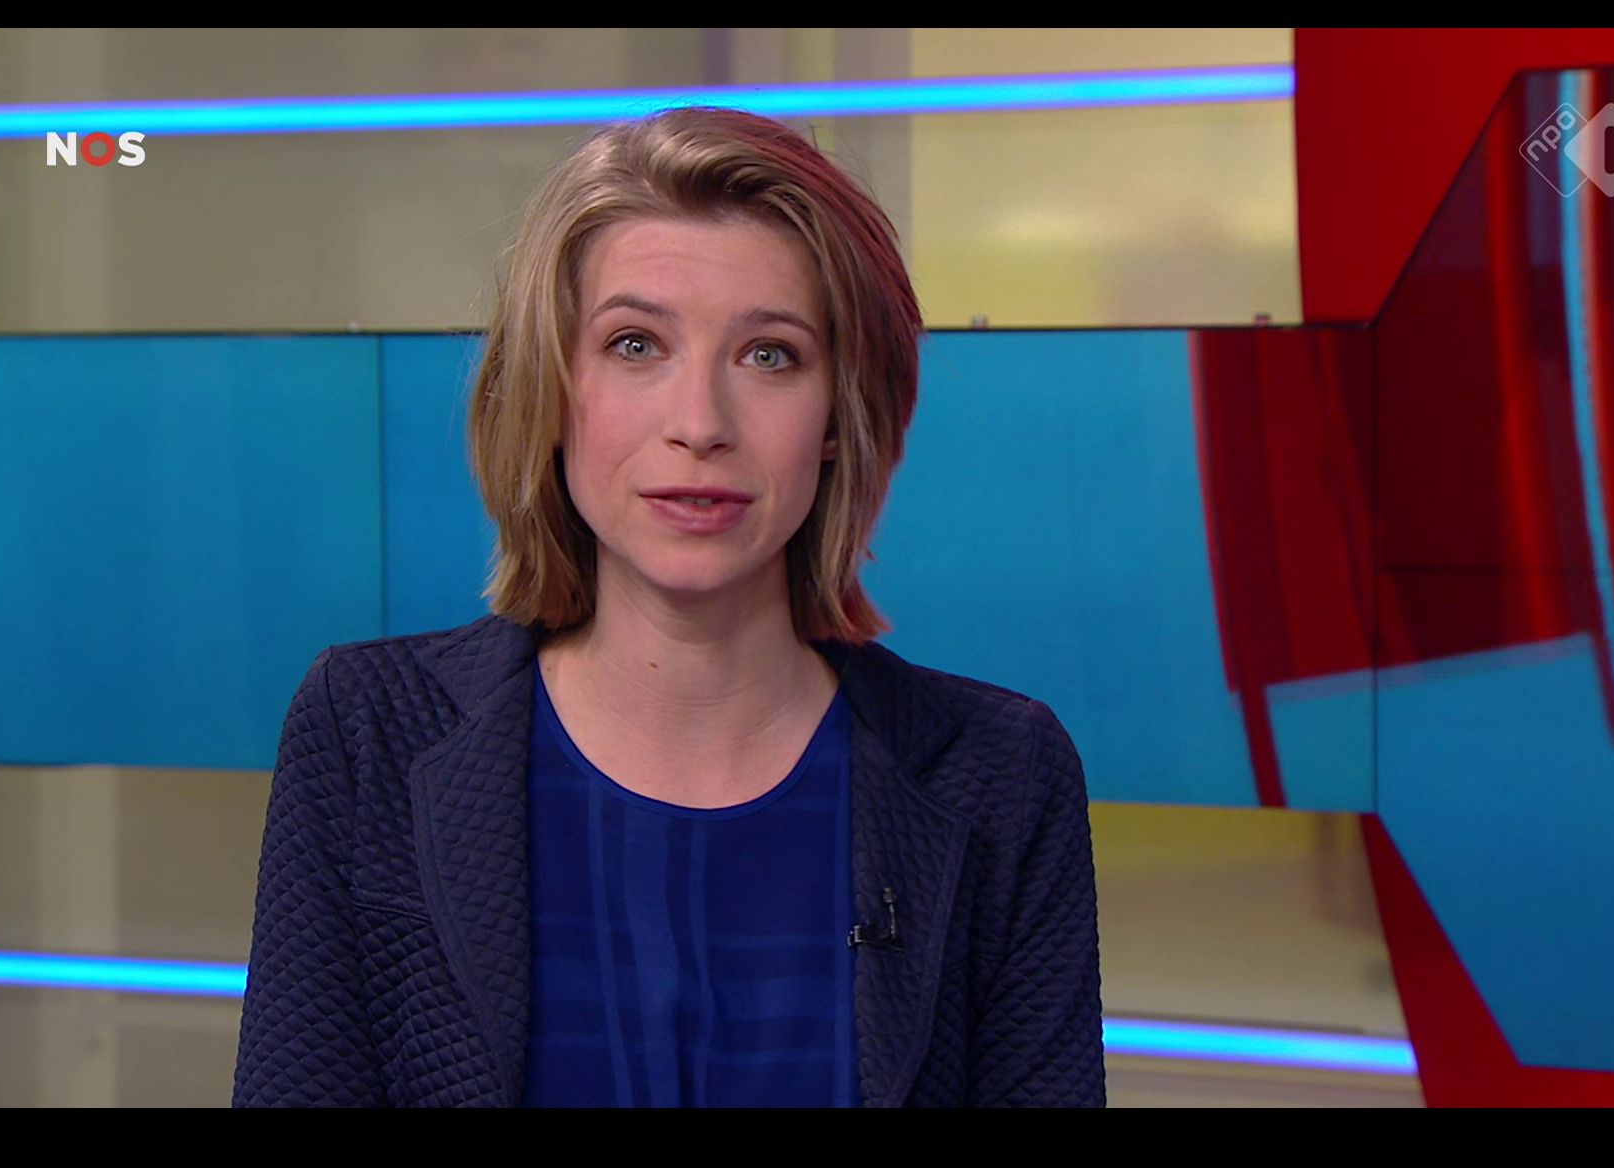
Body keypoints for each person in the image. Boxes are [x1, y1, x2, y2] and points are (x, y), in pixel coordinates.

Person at [232, 106, 1103, 1107]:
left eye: (769, 355)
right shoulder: (370, 732)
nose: (699, 424)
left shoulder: (1001, 775)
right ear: (553, 392)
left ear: (840, 413)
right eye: (636, 344)